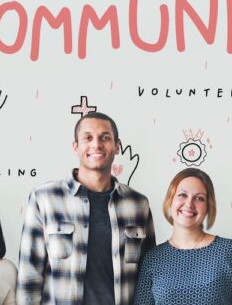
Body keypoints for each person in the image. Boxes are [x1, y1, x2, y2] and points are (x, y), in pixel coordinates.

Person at [17, 112, 156, 304]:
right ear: (75, 146)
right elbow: (29, 278)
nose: (96, 144)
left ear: (117, 146)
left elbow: (148, 277)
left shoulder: (138, 204)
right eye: (88, 138)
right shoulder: (45, 199)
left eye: (105, 138)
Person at [133, 168, 232, 305]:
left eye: (199, 198)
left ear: (208, 207)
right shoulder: (152, 258)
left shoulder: (230, 252)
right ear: (170, 200)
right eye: (182, 195)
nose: (189, 204)